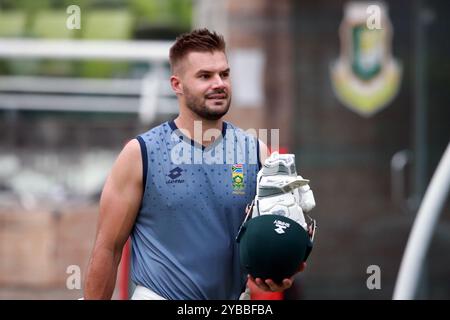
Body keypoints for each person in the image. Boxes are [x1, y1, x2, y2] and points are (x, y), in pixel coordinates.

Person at [83, 28, 305, 300]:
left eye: (224, 74)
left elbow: (270, 238)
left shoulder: (256, 152)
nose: (219, 83)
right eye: (205, 76)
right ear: (177, 84)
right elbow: (108, 248)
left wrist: (278, 270)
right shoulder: (141, 153)